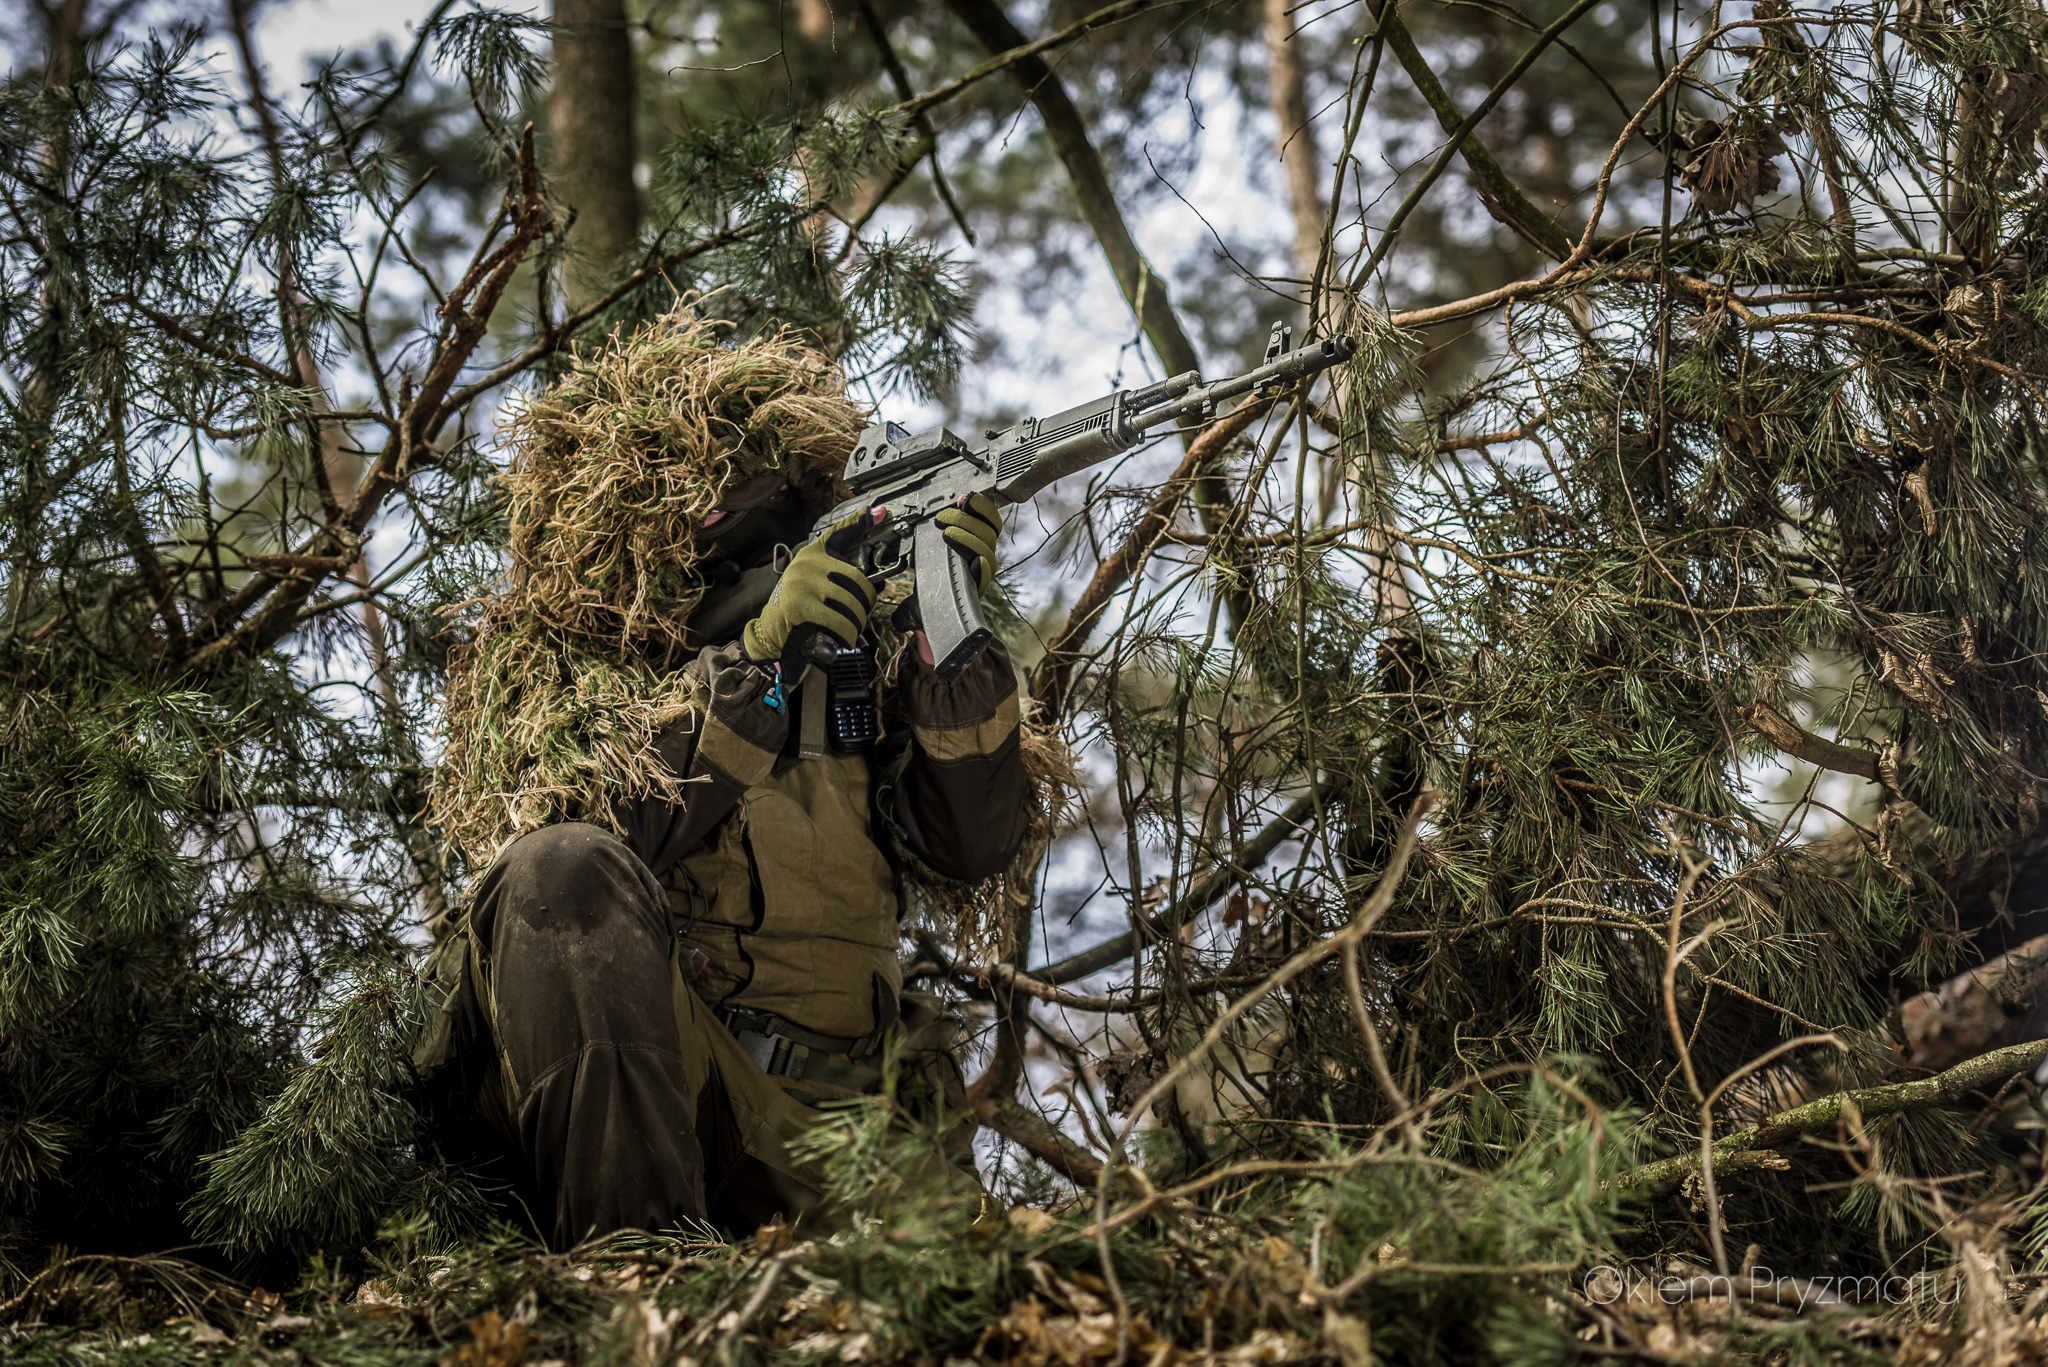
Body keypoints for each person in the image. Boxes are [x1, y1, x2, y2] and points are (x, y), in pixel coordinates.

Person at [417, 466, 1032, 1248]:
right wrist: (758, 664)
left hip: (847, 1130)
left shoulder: (865, 677)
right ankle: (635, 1276)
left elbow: (970, 847)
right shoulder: (568, 659)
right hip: (667, 1088)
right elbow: (562, 866)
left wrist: (939, 633)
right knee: (558, 865)